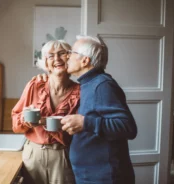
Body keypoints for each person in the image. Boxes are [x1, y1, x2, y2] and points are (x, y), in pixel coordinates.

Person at [59, 35, 137, 184]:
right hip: (91, 175)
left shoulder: (102, 85)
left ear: (85, 60)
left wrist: (85, 123)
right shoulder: (88, 84)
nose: (67, 57)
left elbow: (128, 127)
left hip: (105, 177)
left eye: (71, 52)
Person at [11, 40, 80, 184]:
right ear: (45, 63)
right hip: (33, 155)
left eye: (62, 54)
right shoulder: (34, 85)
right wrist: (25, 120)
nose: (57, 59)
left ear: (70, 58)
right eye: (51, 56)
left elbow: (82, 130)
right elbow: (15, 123)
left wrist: (45, 121)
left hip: (63, 155)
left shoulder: (80, 92)